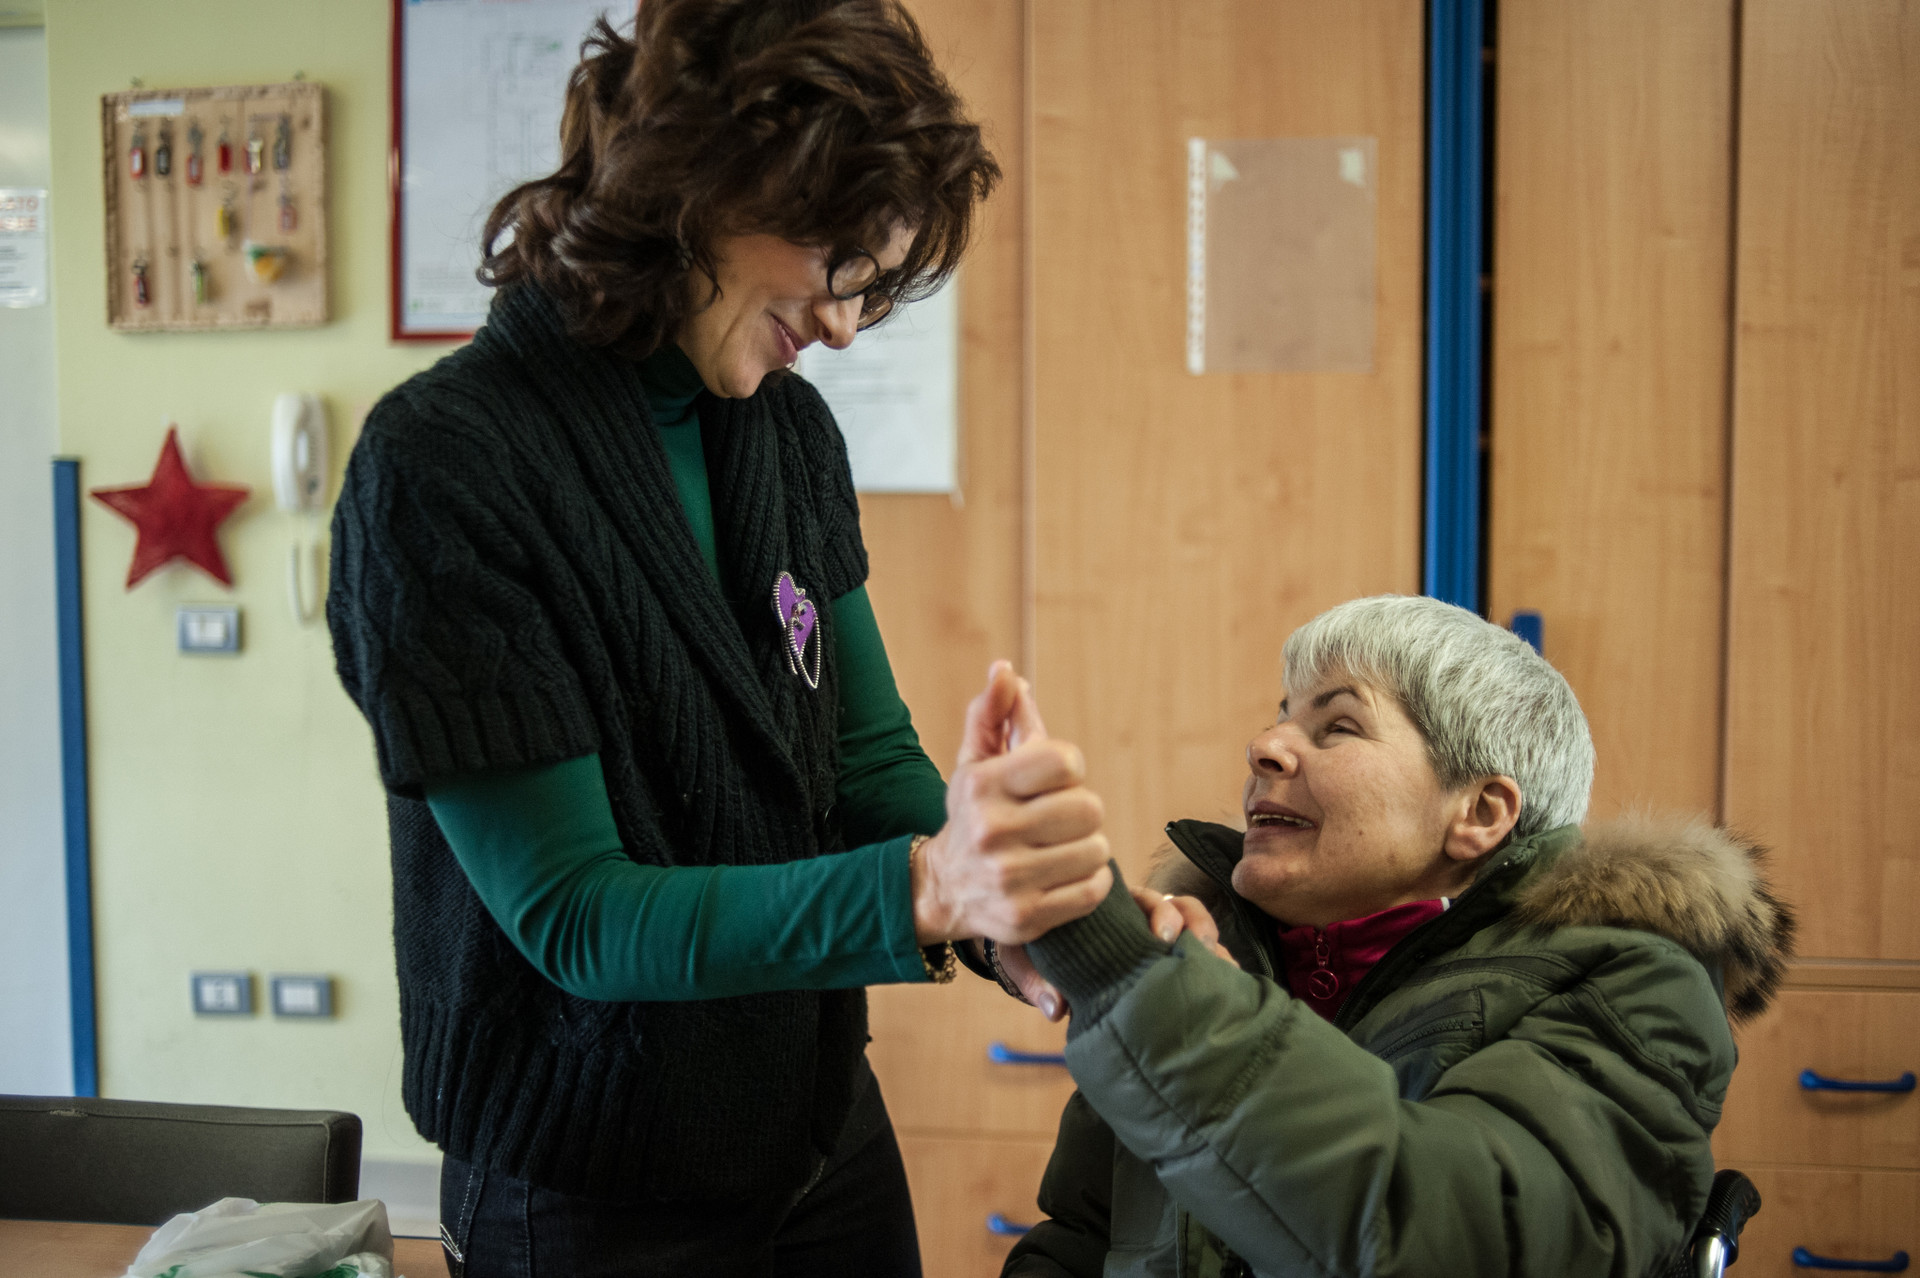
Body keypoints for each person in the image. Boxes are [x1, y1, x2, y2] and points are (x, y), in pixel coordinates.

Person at [326, 4, 1119, 1273]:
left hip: (815, 1131)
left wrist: (1019, 918)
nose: (852, 326)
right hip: (587, 1184)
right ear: (703, 180)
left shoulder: (785, 435)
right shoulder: (445, 468)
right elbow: (579, 917)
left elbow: (866, 764)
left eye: (879, 282)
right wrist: (928, 888)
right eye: (839, 263)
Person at [1002, 595, 1796, 1278]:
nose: (1265, 747)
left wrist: (1168, 1002)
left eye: (1338, 725)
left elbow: (1453, 1240)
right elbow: (1081, 1240)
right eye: (1282, 716)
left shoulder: (1630, 984)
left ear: (1480, 814)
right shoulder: (1223, 950)